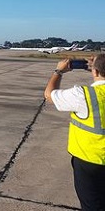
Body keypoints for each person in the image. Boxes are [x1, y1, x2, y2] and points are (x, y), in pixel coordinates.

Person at [44, 54, 105, 210]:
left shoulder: (84, 95)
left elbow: (49, 95)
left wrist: (58, 71)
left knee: (92, 205)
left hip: (89, 162)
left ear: (95, 72)